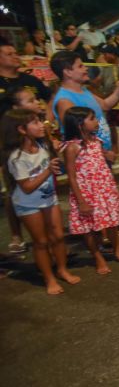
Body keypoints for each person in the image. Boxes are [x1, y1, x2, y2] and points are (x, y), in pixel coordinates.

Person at [1, 109, 80, 294]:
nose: (40, 125)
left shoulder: (43, 146)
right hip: (28, 204)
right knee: (41, 242)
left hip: (49, 199)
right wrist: (47, 171)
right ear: (21, 129)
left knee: (58, 237)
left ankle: (62, 269)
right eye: (35, 122)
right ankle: (49, 278)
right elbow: (27, 187)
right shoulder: (16, 157)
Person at [62, 107, 119, 273]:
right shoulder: (71, 148)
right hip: (86, 194)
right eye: (92, 118)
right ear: (80, 124)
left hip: (104, 190)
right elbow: (72, 177)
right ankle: (98, 258)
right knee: (90, 229)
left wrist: (113, 189)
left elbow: (104, 168)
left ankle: (117, 252)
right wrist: (81, 201)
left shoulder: (96, 142)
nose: (96, 122)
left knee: (112, 224)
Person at [0, 40, 53, 254]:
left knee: (42, 181)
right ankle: (16, 235)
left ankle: (47, 233)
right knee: (14, 189)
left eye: (15, 51)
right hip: (9, 143)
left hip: (35, 139)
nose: (15, 55)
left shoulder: (29, 80)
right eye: (9, 53)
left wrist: (46, 124)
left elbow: (48, 99)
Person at [50, 51, 119, 163]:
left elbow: (105, 105)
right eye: (80, 66)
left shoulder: (83, 90)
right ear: (68, 72)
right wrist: (103, 153)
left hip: (98, 155)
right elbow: (76, 137)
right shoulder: (64, 101)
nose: (86, 68)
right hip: (88, 161)